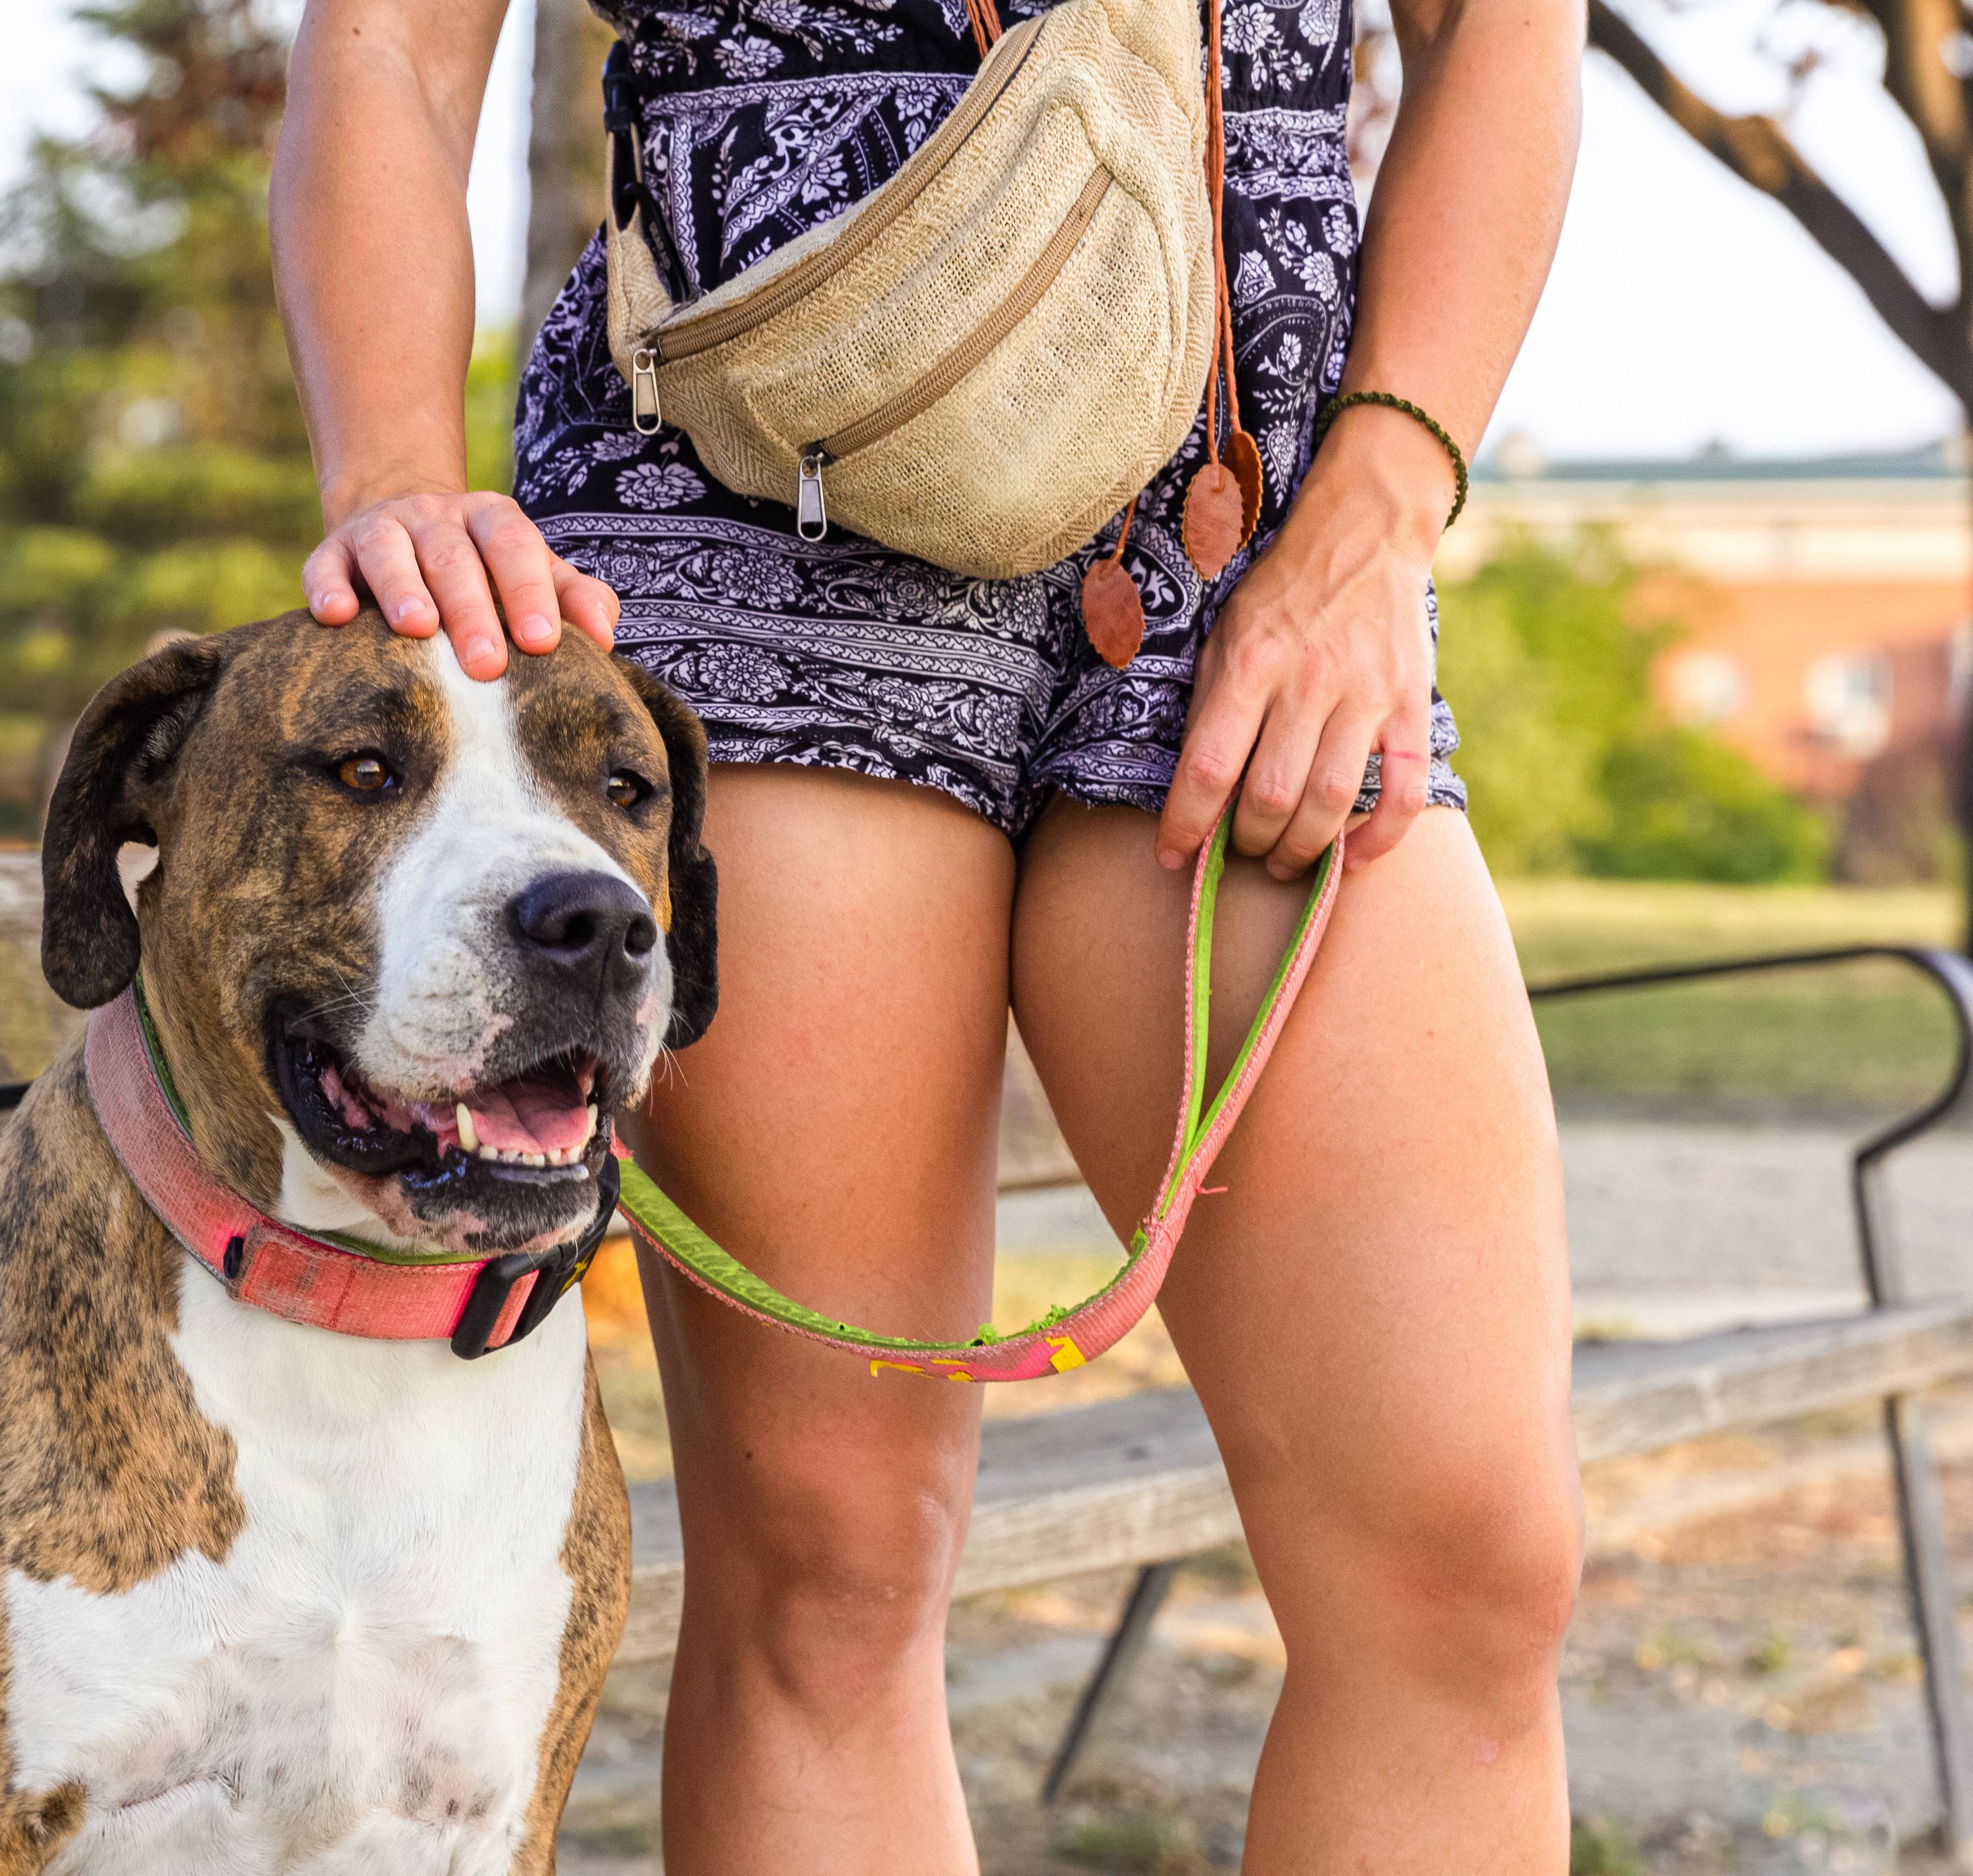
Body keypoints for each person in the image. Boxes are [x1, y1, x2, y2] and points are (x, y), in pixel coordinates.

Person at [270, 0, 1584, 1856]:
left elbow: (1502, 31)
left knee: (1461, 1564)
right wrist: (393, 475)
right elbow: (393, 46)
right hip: (748, 482)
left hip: (1254, 519)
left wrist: (1382, 503)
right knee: (833, 1568)